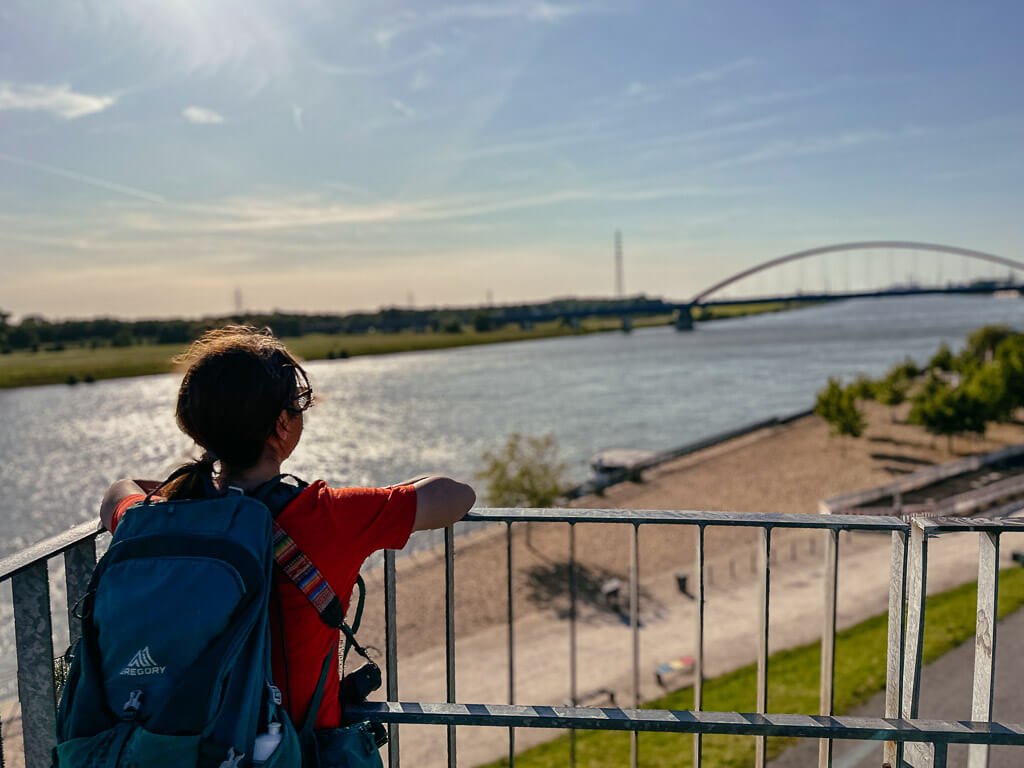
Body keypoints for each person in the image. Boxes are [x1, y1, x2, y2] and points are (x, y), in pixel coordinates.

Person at [97, 325, 475, 732]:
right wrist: (382, 497)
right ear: (281, 424)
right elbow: (457, 495)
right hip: (293, 748)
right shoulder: (328, 515)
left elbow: (117, 494)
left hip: (182, 744)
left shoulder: (160, 516)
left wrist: (189, 491)